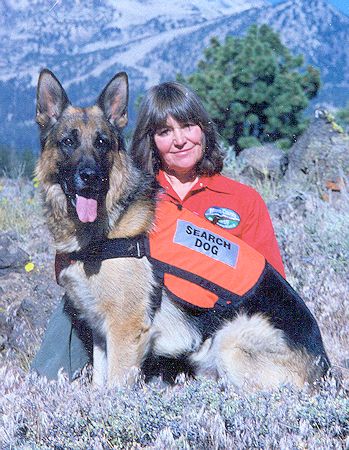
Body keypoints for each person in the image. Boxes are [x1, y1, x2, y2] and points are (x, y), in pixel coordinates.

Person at [32, 81, 285, 381]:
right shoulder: (141, 197)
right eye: (165, 132)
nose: (179, 140)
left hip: (226, 336)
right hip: (167, 348)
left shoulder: (242, 199)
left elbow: (272, 288)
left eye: (188, 126)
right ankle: (45, 386)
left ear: (204, 129)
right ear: (151, 139)